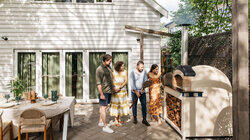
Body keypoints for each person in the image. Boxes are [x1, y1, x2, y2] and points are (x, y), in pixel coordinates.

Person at [96, 54, 119, 133]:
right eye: (109, 61)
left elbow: (110, 80)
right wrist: (101, 94)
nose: (110, 62)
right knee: (103, 108)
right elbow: (98, 84)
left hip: (109, 91)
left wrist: (114, 88)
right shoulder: (99, 69)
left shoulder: (108, 68)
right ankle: (105, 126)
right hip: (104, 92)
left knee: (104, 107)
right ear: (105, 61)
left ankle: (100, 122)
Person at [109, 61, 130, 126]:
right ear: (118, 66)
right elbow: (111, 81)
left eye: (123, 66)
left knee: (121, 105)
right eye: (122, 66)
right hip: (115, 91)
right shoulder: (113, 72)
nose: (123, 67)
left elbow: (126, 81)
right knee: (116, 105)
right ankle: (116, 120)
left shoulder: (125, 71)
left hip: (122, 90)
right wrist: (115, 88)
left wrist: (120, 87)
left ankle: (119, 119)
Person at [130, 61, 150, 126]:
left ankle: (144, 119)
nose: (142, 68)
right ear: (137, 66)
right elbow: (132, 83)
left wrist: (143, 89)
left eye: (143, 67)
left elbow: (145, 81)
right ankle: (135, 118)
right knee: (134, 105)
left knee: (144, 105)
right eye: (141, 67)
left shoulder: (144, 72)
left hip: (142, 92)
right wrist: (136, 92)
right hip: (134, 92)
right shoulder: (132, 72)